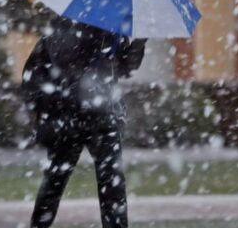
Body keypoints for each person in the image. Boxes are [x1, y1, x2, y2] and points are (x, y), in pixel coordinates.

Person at [23, 17, 146, 228]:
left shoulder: (112, 30)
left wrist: (139, 43)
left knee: (113, 182)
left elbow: (125, 69)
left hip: (103, 116)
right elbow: (65, 67)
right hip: (68, 116)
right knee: (56, 179)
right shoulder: (62, 27)